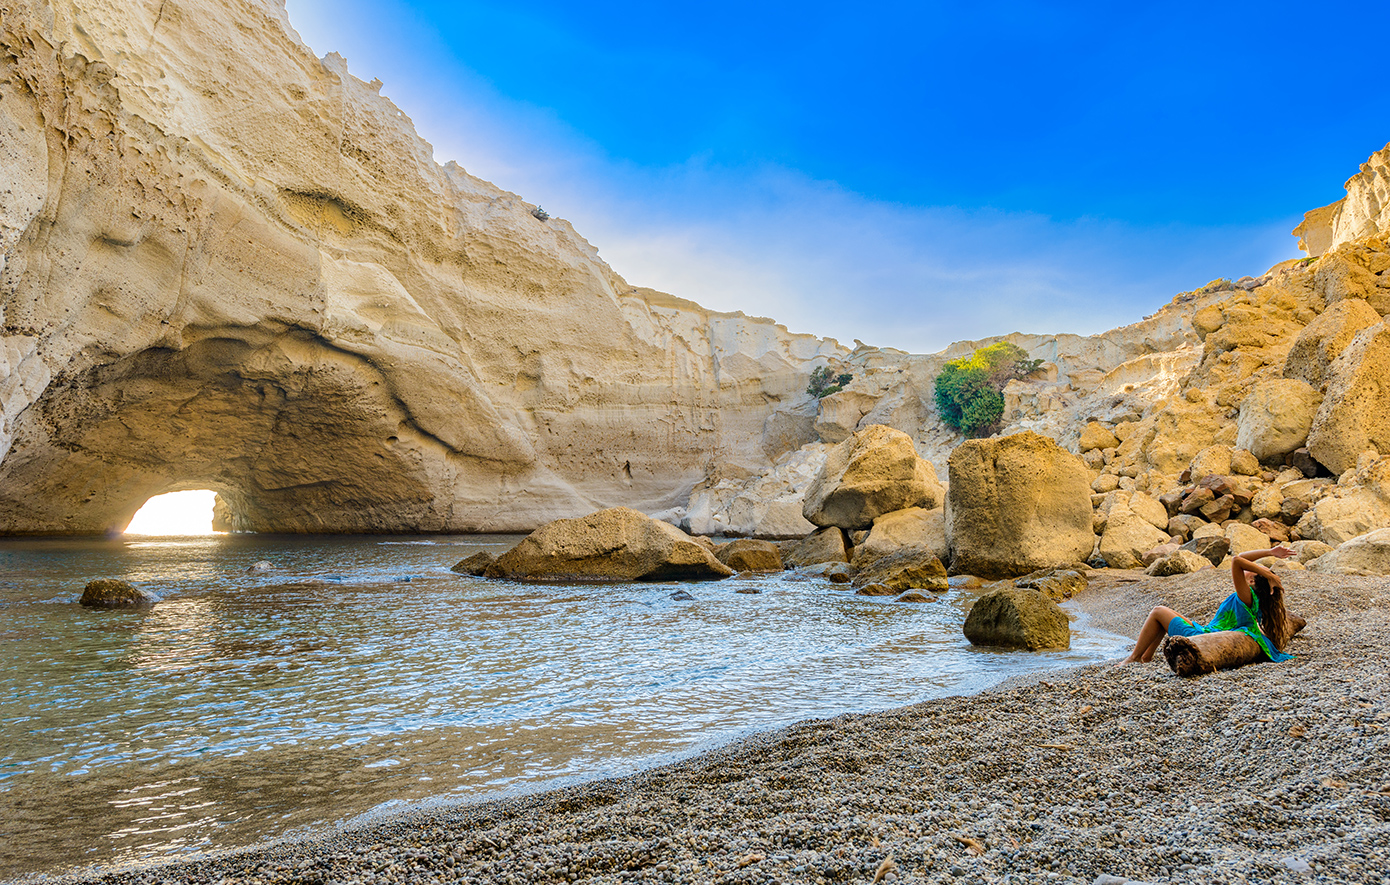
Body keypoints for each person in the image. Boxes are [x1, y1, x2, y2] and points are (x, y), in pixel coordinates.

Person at [1120, 545, 1296, 665]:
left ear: (1251, 580)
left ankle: (1134, 657)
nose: (1252, 567)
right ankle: (1146, 657)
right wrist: (1271, 552)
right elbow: (1241, 558)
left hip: (1203, 637)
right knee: (1167, 616)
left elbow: (1237, 561)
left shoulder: (1247, 597)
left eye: (1255, 570)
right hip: (1206, 630)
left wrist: (1266, 572)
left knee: (1158, 611)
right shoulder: (1253, 599)